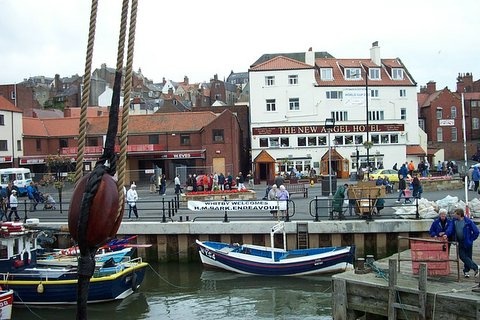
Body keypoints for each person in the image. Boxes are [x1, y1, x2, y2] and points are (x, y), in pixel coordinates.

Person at [452, 208, 479, 278]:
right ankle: (475, 268)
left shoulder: (468, 221)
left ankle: (467, 270)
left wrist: (471, 239)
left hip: (467, 241)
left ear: (459, 214)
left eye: (455, 214)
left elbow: (476, 231)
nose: (454, 215)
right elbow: (452, 230)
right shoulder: (454, 221)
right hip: (460, 241)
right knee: (462, 256)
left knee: (468, 257)